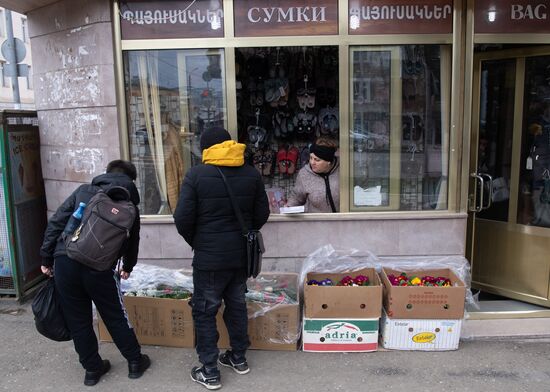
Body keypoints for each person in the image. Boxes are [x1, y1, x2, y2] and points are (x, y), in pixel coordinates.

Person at [173, 127, 270, 390]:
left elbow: (182, 219)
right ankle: (238, 358)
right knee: (237, 305)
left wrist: (199, 242)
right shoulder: (251, 173)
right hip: (240, 257)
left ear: (206, 149)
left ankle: (210, 370)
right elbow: (262, 214)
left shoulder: (196, 174)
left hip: (209, 260)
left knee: (205, 312)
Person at [39, 160, 151, 386]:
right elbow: (133, 242)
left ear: (106, 173)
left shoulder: (83, 191)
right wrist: (128, 267)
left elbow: (57, 223)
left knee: (78, 319)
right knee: (114, 315)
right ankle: (135, 362)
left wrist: (46, 258)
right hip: (101, 268)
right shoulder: (130, 206)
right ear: (131, 180)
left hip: (66, 260)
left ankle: (92, 370)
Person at [287, 136, 339, 212]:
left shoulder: (342, 170)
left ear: (329, 162)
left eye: (317, 160)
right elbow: (297, 197)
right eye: (311, 158)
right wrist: (289, 207)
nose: (312, 162)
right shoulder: (304, 174)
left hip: (343, 221)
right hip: (316, 222)